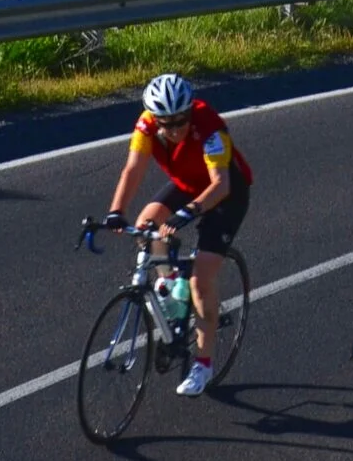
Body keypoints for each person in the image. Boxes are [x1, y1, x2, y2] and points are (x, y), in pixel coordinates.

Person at [100, 73, 252, 397]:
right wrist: (116, 211)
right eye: (165, 124)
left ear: (189, 112)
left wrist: (190, 212)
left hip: (225, 192)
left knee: (200, 280)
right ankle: (171, 291)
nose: (174, 129)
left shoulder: (209, 125)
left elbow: (221, 184)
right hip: (186, 184)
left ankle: (203, 363)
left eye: (180, 121)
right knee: (145, 226)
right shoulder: (146, 126)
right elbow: (134, 169)